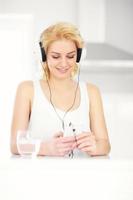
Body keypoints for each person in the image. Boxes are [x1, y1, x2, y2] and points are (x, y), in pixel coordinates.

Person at [10, 22, 110, 157]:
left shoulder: (91, 91)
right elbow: (15, 144)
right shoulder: (27, 90)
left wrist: (95, 146)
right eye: (56, 56)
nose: (64, 63)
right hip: (38, 176)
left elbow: (105, 144)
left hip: (84, 176)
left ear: (79, 56)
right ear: (43, 56)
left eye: (70, 56)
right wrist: (46, 148)